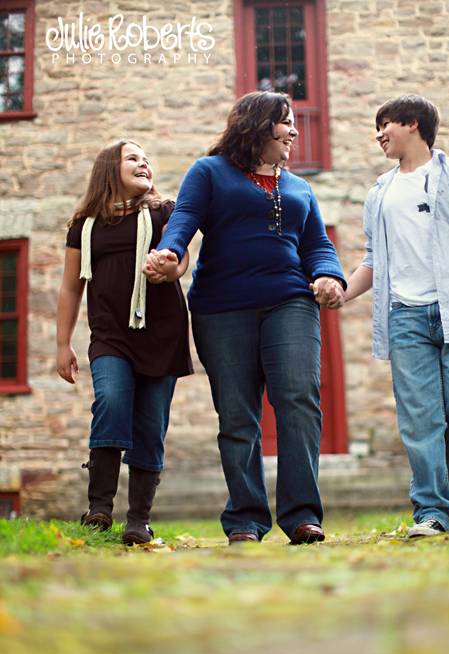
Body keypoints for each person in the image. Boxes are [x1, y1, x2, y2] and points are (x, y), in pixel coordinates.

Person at [144, 91, 346, 545]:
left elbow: (317, 245)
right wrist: (169, 250)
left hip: (290, 301)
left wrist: (330, 277)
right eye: (286, 122)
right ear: (258, 125)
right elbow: (185, 219)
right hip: (222, 307)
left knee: (298, 399)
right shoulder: (210, 172)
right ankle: (245, 518)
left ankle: (301, 515)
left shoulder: (300, 187)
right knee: (237, 415)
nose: (295, 131)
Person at [345, 94, 449, 537]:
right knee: (420, 416)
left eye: (386, 124)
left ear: (413, 124)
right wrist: (342, 292)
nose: (379, 134)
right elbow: (373, 260)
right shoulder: (380, 191)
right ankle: (432, 510)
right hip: (405, 316)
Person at [56, 139, 192, 545]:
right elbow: (68, 289)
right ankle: (99, 508)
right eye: (133, 157)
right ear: (108, 170)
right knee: (112, 400)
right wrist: (63, 344)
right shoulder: (85, 226)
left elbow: (180, 257)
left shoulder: (163, 212)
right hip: (111, 335)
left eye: (147, 159)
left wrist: (171, 268)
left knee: (150, 424)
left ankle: (139, 521)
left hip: (161, 333)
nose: (143, 163)